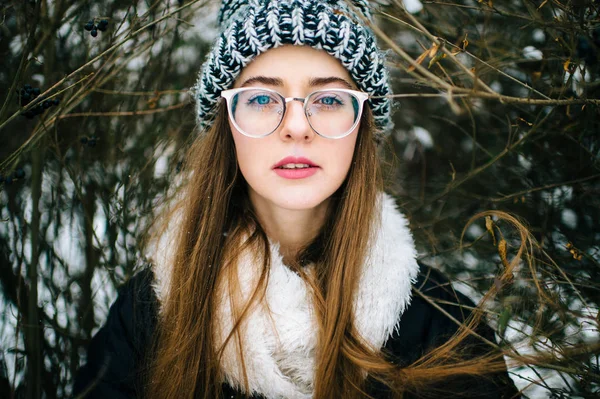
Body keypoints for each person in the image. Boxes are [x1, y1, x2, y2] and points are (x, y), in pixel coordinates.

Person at [74, 1, 520, 398]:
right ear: (226, 125)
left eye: (327, 98)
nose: (296, 126)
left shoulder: (438, 324)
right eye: (263, 97)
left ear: (361, 124)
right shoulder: (151, 314)